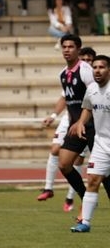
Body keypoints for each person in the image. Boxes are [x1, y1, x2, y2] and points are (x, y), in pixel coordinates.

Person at [41, 35, 96, 212]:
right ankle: (85, 198)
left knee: (101, 170)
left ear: (78, 49)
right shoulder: (63, 74)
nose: (66, 50)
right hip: (76, 127)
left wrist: (82, 120)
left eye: (70, 47)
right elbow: (68, 99)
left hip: (93, 125)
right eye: (64, 46)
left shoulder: (86, 70)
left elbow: (95, 96)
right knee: (64, 164)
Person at [67, 54, 110, 233]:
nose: (97, 71)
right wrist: (81, 123)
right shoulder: (91, 88)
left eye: (101, 67)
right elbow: (87, 107)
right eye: (94, 67)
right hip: (101, 143)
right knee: (92, 180)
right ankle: (85, 222)